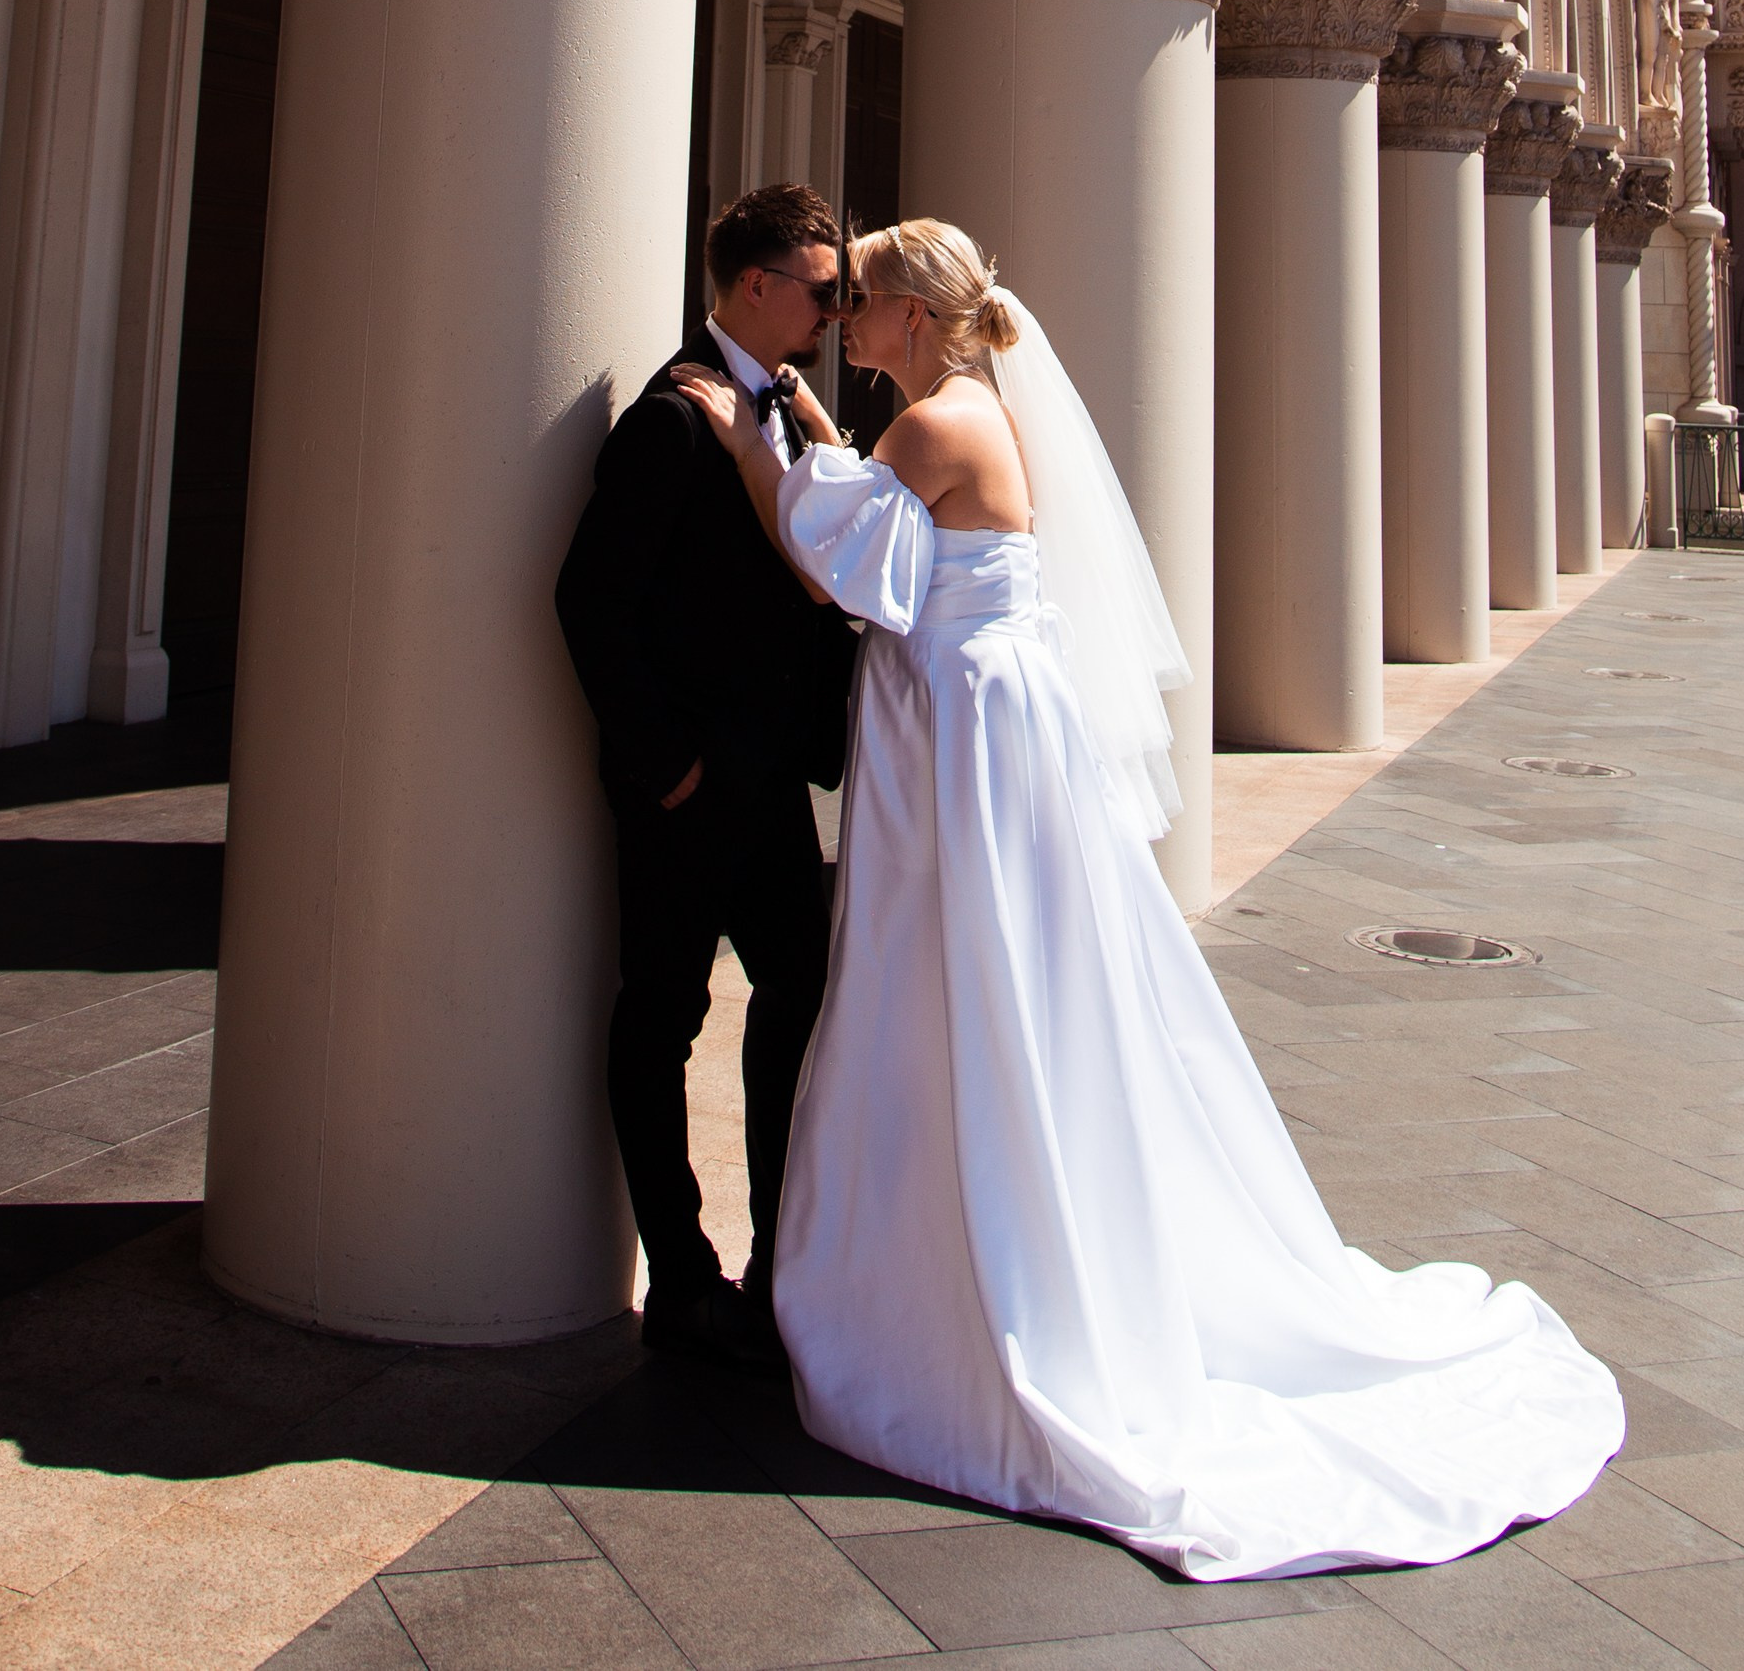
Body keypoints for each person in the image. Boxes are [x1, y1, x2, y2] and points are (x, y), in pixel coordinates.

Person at [672, 217, 1625, 1581]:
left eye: (864, 302)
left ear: (916, 320)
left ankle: (968, 1275)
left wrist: (745, 443)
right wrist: (807, 422)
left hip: (963, 739)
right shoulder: (960, 410)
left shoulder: (937, 427)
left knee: (963, 975)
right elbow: (874, 498)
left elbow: (833, 551)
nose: (844, 321)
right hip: (988, 718)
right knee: (991, 978)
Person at [556, 183, 858, 1367]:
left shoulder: (782, 405)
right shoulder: (672, 421)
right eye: (821, 290)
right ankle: (679, 1274)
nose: (835, 311)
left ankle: (779, 1251)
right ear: (754, 286)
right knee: (661, 1015)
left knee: (803, 990)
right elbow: (591, 601)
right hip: (687, 790)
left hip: (773, 782)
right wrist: (664, 766)